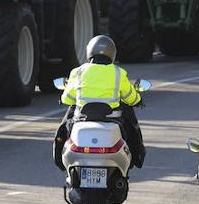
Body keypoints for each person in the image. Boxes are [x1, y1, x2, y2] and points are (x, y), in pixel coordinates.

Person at [54, 35, 146, 169]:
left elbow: (67, 98)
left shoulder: (78, 72)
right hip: (112, 119)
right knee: (133, 130)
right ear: (112, 53)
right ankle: (137, 157)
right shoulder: (118, 73)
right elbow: (130, 96)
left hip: (82, 119)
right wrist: (138, 100)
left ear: (90, 51)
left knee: (62, 130)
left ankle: (59, 160)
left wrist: (64, 98)